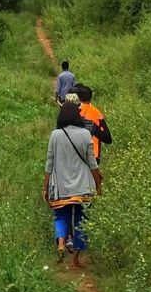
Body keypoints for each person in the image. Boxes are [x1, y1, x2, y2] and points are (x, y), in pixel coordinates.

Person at [43, 100, 101, 265]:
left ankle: (61, 242)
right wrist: (98, 185)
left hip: (61, 186)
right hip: (83, 185)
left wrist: (45, 187)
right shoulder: (85, 134)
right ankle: (76, 258)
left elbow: (49, 163)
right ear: (77, 115)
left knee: (61, 216)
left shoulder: (55, 135)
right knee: (82, 219)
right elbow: (93, 164)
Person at [71, 83, 111, 161]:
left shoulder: (73, 111)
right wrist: (103, 122)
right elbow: (106, 137)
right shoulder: (97, 113)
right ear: (90, 97)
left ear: (78, 97)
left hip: (76, 153)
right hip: (93, 153)